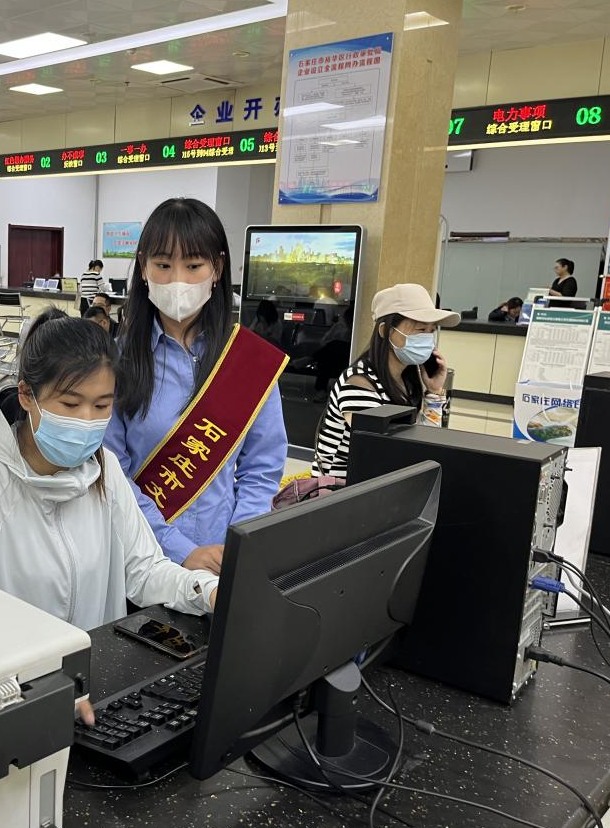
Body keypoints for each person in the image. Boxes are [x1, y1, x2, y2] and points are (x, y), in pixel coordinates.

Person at [0, 308, 219, 634]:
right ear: (26, 395)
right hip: (14, 681)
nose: (87, 420)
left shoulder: (105, 470)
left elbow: (144, 569)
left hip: (96, 671)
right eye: (70, 404)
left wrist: (205, 591)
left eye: (102, 405)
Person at [105, 198, 288, 575]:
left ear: (217, 268)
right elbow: (113, 473)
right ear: (143, 268)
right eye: (162, 265)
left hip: (225, 561)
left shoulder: (247, 360)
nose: (178, 281)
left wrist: (237, 544)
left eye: (193, 266)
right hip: (141, 557)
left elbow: (262, 468)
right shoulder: (116, 361)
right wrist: (180, 548)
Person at [312, 284, 459, 479]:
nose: (427, 338)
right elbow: (384, 453)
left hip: (378, 486)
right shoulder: (358, 384)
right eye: (420, 329)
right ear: (385, 330)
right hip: (342, 494)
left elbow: (423, 444)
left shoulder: (406, 380)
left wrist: (434, 391)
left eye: (431, 331)